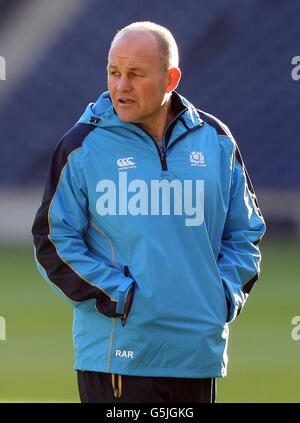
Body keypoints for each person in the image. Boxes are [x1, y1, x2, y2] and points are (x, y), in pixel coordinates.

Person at [32, 21, 266, 403]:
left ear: (170, 78)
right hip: (118, 356)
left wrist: (220, 295)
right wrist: (120, 296)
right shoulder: (81, 146)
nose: (120, 86)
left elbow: (245, 233)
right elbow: (53, 241)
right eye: (114, 72)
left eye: (135, 75)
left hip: (196, 354)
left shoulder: (216, 141)